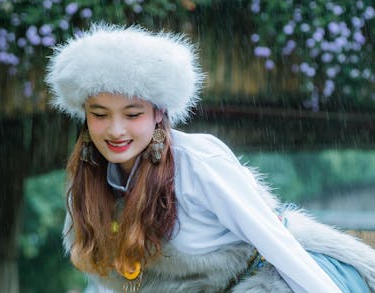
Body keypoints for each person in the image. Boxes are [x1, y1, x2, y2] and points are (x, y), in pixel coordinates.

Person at [45, 23, 375, 293]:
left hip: (269, 278)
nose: (115, 131)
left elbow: (277, 243)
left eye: (132, 114)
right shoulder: (85, 183)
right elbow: (106, 278)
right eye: (100, 114)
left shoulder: (198, 161)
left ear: (159, 114)